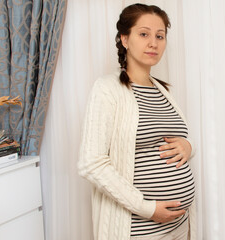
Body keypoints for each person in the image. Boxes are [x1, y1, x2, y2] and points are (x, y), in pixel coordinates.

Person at [78, 3, 196, 240]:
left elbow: (167, 142)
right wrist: (148, 208)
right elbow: (91, 163)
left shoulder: (163, 90)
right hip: (139, 230)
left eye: (160, 36)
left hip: (178, 226)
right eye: (144, 34)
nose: (153, 42)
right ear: (124, 39)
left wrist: (188, 146)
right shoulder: (107, 88)